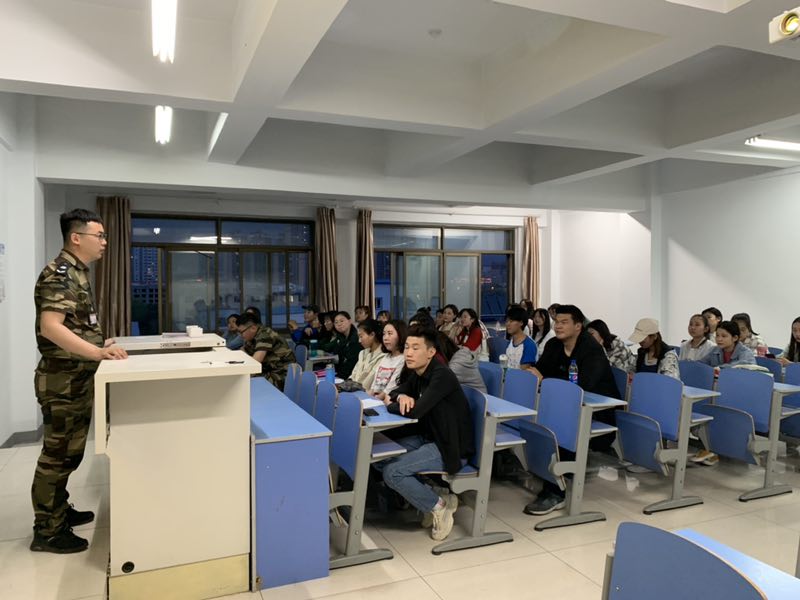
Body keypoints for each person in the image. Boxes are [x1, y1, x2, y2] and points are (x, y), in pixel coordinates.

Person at [31, 209, 129, 554]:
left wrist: (99, 343)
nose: (104, 242)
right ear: (76, 237)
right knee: (56, 456)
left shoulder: (78, 273)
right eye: (98, 236)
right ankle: (47, 530)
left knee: (69, 454)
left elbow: (75, 324)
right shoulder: (59, 274)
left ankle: (58, 510)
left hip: (76, 378)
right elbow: (51, 327)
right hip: (62, 381)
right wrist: (97, 352)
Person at [377, 325, 475, 541]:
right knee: (378, 456)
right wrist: (400, 397)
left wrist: (392, 403)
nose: (409, 353)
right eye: (407, 347)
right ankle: (435, 494)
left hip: (449, 446)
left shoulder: (441, 375)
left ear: (431, 352)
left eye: (415, 348)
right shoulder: (419, 373)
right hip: (429, 437)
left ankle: (439, 507)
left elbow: (416, 410)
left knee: (392, 472)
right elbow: (397, 392)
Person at [524, 305, 620, 516]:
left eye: (564, 322)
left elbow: (583, 386)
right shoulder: (554, 345)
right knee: (535, 421)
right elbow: (540, 371)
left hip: (597, 412)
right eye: (556, 322)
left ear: (578, 326)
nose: (558, 326)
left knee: (559, 427)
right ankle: (546, 470)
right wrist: (534, 374)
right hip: (564, 404)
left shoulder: (591, 349)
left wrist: (545, 379)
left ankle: (554, 492)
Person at [237, 313, 294, 390]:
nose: (240, 335)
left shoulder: (265, 335)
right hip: (269, 370)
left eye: (241, 332)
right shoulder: (253, 337)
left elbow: (255, 362)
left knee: (243, 384)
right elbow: (243, 352)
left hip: (282, 375)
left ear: (253, 328)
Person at [371, 320, 408, 402]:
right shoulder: (386, 357)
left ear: (401, 335)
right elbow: (374, 386)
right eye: (384, 334)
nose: (385, 338)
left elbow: (390, 389)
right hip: (376, 400)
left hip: (388, 401)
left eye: (390, 333)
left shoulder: (403, 359)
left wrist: (374, 400)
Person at [348, 318, 387, 391]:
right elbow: (353, 374)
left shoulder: (383, 356)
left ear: (372, 334)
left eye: (361, 336)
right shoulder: (362, 353)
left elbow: (368, 381)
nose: (359, 341)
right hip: (354, 390)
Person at [325, 311, 362, 379]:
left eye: (342, 321)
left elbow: (351, 363)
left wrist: (339, 377)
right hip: (339, 374)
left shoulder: (357, 339)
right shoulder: (340, 338)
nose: (339, 324)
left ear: (350, 321)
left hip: (351, 376)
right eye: (336, 322)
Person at [505, 306, 538, 372]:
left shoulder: (529, 345)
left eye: (511, 321)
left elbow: (524, 373)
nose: (508, 324)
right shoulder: (510, 342)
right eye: (507, 321)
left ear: (521, 323)